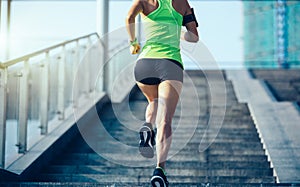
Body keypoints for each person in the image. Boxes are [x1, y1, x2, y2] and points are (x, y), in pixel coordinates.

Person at [126, 0, 199, 186]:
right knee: (165, 120)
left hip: (144, 64)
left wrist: (133, 42)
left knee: (153, 101)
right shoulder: (182, 2)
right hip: (170, 63)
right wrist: (178, 32)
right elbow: (194, 37)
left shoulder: (143, 1)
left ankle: (148, 125)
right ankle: (160, 169)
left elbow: (129, 18)